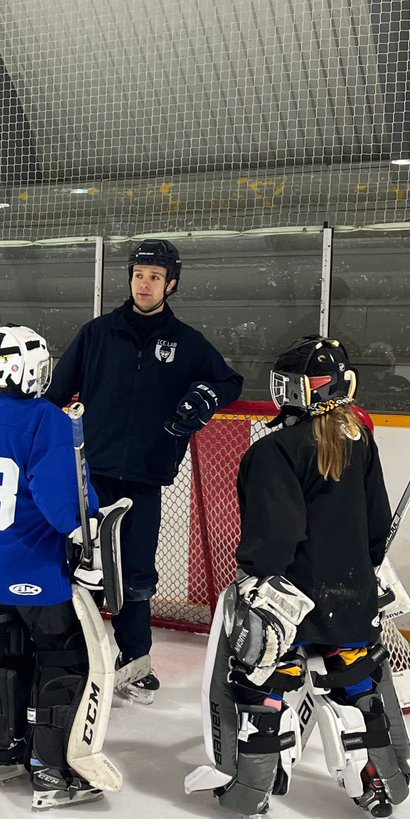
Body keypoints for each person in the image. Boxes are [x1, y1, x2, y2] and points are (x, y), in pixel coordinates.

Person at [186, 336, 410, 819]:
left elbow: (275, 538)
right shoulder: (359, 439)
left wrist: (254, 578)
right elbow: (377, 528)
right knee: (355, 684)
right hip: (352, 599)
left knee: (265, 685)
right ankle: (381, 780)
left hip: (292, 605)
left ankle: (252, 786)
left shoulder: (275, 450)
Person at [46, 239, 243, 702]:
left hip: (145, 477)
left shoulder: (186, 342)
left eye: (155, 277)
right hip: (90, 478)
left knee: (135, 572)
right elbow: (58, 391)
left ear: (171, 284)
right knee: (82, 567)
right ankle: (75, 656)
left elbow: (228, 381)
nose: (145, 284)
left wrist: (204, 398)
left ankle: (134, 663)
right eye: (139, 275)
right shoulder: (97, 334)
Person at [0, 323, 109, 810]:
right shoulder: (46, 419)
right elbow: (62, 498)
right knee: (60, 655)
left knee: (2, 647)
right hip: (30, 565)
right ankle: (51, 769)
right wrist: (84, 531)